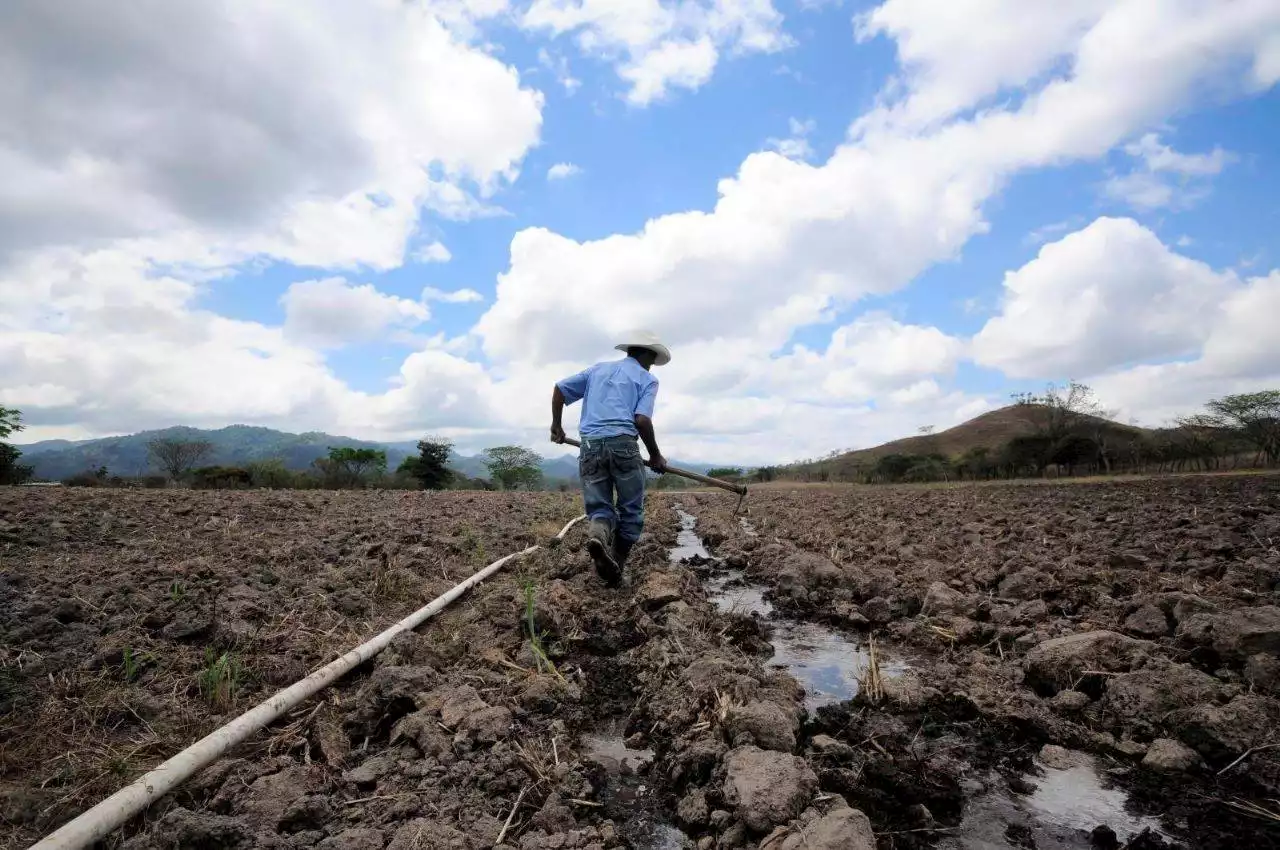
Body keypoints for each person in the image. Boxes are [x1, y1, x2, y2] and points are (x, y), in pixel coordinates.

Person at [550, 331, 670, 585]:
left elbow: (560, 390)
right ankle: (615, 562)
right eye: (652, 358)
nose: (652, 363)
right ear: (647, 355)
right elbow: (642, 419)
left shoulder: (598, 370)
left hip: (590, 447)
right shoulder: (647, 379)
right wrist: (655, 455)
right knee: (631, 513)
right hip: (623, 446)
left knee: (600, 509)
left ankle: (597, 536)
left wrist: (557, 427)